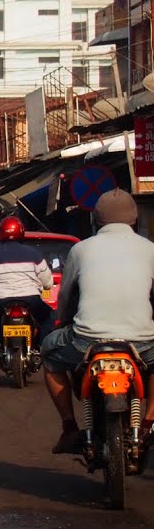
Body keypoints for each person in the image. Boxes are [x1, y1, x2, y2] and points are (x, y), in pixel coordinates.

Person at [42, 189, 154, 454]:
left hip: (86, 341)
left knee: (49, 352)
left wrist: (61, 320)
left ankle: (69, 428)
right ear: (134, 220)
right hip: (143, 341)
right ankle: (149, 420)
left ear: (96, 220)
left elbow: (66, 294)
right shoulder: (150, 249)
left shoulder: (81, 249)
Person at [0, 215, 53, 362]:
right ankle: (45, 348)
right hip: (31, 299)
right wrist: (46, 286)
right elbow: (47, 281)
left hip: (0, 300)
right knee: (47, 317)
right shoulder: (34, 254)